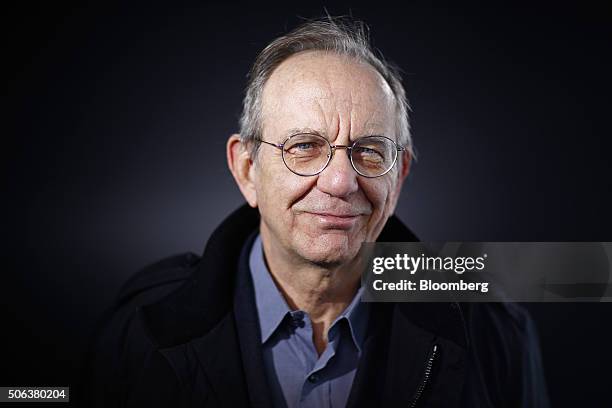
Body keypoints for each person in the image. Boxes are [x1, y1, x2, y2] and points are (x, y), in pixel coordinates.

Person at [84, 17, 549, 407]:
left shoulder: (492, 329)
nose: (341, 182)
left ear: (400, 174)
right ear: (247, 169)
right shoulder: (140, 329)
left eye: (369, 151)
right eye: (304, 147)